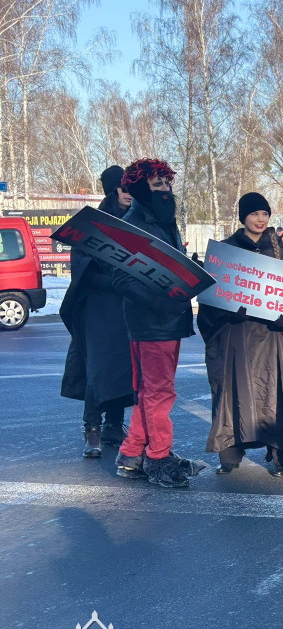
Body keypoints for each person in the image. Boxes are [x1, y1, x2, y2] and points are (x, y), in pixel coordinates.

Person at [197, 193, 283, 477]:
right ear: (242, 217)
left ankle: (281, 455)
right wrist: (226, 312)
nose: (260, 220)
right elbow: (209, 301)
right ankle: (231, 453)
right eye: (254, 214)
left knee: (276, 394)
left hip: (274, 337)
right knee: (233, 392)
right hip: (237, 335)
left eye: (264, 214)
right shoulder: (225, 252)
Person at [110, 158, 205, 488]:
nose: (166, 190)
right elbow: (120, 276)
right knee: (159, 392)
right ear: (140, 190)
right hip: (152, 320)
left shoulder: (165, 221)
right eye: (157, 185)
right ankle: (159, 457)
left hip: (168, 317)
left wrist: (191, 270)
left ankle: (132, 452)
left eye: (167, 183)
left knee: (148, 390)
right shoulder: (133, 224)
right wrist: (157, 301)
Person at [60, 165, 135, 458]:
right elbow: (82, 272)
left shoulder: (136, 221)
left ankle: (114, 425)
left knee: (121, 366)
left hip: (126, 305)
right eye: (124, 188)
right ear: (112, 190)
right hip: (97, 307)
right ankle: (92, 428)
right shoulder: (91, 224)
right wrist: (117, 280)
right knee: (96, 366)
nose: (129, 194)